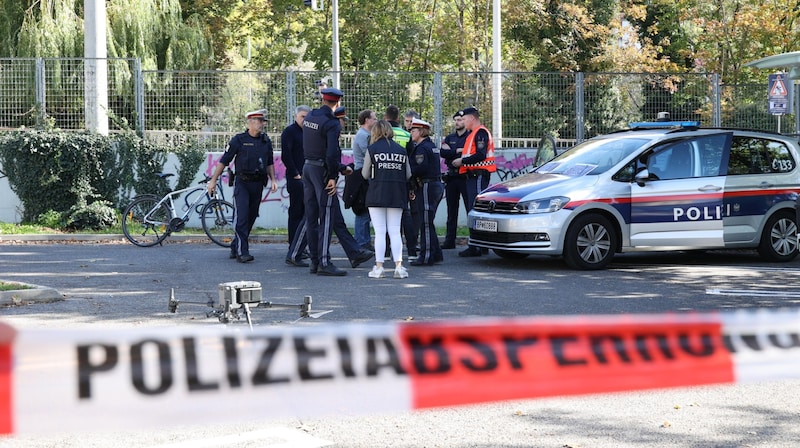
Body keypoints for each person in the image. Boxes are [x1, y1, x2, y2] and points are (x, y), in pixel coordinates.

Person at [302, 87, 374, 276]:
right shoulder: (331, 123)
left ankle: (315, 261)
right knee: (327, 216)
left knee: (312, 218)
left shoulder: (310, 117)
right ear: (338, 103)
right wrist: (333, 176)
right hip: (322, 171)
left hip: (308, 167)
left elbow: (312, 145)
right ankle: (324, 263)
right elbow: (331, 152)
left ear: (323, 99)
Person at [207, 109, 278, 263]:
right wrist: (213, 180)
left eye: (263, 121)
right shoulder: (238, 140)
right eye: (259, 121)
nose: (262, 124)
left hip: (258, 183)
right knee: (242, 217)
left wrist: (273, 179)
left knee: (251, 216)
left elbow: (270, 162)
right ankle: (242, 252)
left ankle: (235, 245)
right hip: (242, 183)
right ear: (250, 122)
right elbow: (224, 160)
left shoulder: (266, 141)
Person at [362, 120, 412, 279]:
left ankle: (379, 267)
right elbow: (408, 174)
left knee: (380, 232)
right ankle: (399, 267)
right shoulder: (401, 150)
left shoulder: (372, 149)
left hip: (377, 193)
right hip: (397, 193)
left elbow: (364, 174)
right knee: (395, 231)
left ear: (375, 132)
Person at [452, 106, 495, 257]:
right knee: (475, 210)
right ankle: (480, 244)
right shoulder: (473, 134)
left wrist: (462, 161)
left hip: (478, 176)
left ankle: (476, 246)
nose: (462, 121)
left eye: (464, 119)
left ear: (472, 118)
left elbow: (481, 155)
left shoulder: (480, 132)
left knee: (476, 210)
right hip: (473, 176)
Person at [407, 118, 444, 266]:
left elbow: (420, 168)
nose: (411, 133)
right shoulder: (430, 146)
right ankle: (436, 253)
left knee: (426, 223)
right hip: (433, 185)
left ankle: (426, 256)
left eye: (414, 130)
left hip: (428, 186)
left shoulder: (422, 148)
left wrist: (408, 173)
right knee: (427, 221)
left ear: (421, 131)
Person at [384, 105, 418, 257]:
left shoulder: (380, 133)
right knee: (405, 215)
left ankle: (385, 252)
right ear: (398, 118)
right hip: (402, 179)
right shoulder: (406, 135)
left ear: (385, 117)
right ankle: (411, 251)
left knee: (384, 216)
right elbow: (411, 161)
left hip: (383, 180)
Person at [280, 105, 311, 249]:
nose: (305, 120)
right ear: (296, 116)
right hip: (297, 179)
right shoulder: (289, 132)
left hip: (310, 178)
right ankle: (293, 245)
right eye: (302, 116)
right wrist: (296, 174)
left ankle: (302, 246)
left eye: (307, 116)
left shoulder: (311, 132)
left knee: (308, 214)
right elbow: (286, 155)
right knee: (296, 212)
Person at [439, 109, 470, 249]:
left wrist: (452, 150)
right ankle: (449, 240)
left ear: (465, 121)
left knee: (470, 209)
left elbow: (469, 152)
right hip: (451, 177)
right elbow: (443, 152)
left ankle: (474, 242)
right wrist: (458, 150)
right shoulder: (450, 137)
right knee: (452, 210)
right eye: (456, 120)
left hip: (465, 176)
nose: (457, 122)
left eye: (460, 120)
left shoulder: (470, 136)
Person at [347, 109, 378, 251]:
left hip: (365, 174)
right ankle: (361, 242)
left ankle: (364, 241)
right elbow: (370, 155)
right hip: (362, 175)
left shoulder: (366, 135)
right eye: (374, 118)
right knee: (362, 210)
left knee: (366, 210)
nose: (376, 120)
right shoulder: (363, 136)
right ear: (367, 120)